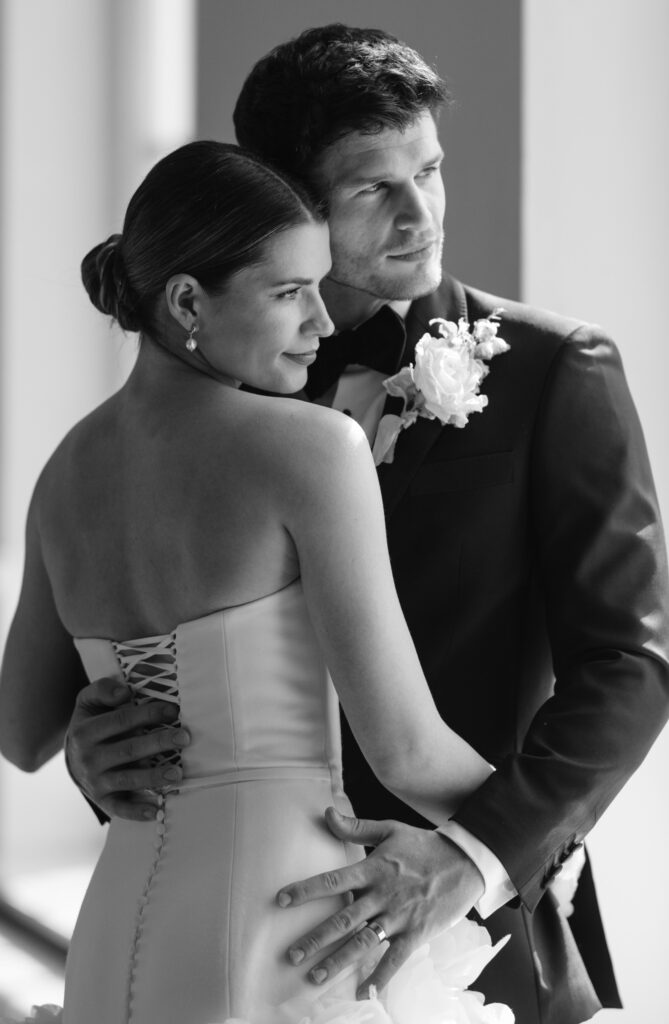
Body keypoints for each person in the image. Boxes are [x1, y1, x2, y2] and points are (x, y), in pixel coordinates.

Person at [61, 24, 669, 1024]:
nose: (418, 211)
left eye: (427, 169)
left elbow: (628, 665)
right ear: (288, 196)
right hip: (240, 934)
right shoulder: (197, 411)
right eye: (372, 188)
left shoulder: (558, 372)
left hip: (471, 941)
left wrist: (473, 858)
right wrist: (104, 736)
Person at [0, 141, 515, 1024]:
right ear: (188, 301)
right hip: (285, 939)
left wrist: (100, 720)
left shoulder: (65, 472)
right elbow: (404, 750)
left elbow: (19, 731)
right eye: (288, 294)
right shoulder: (310, 451)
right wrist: (533, 833)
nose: (321, 322)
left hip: (113, 945)